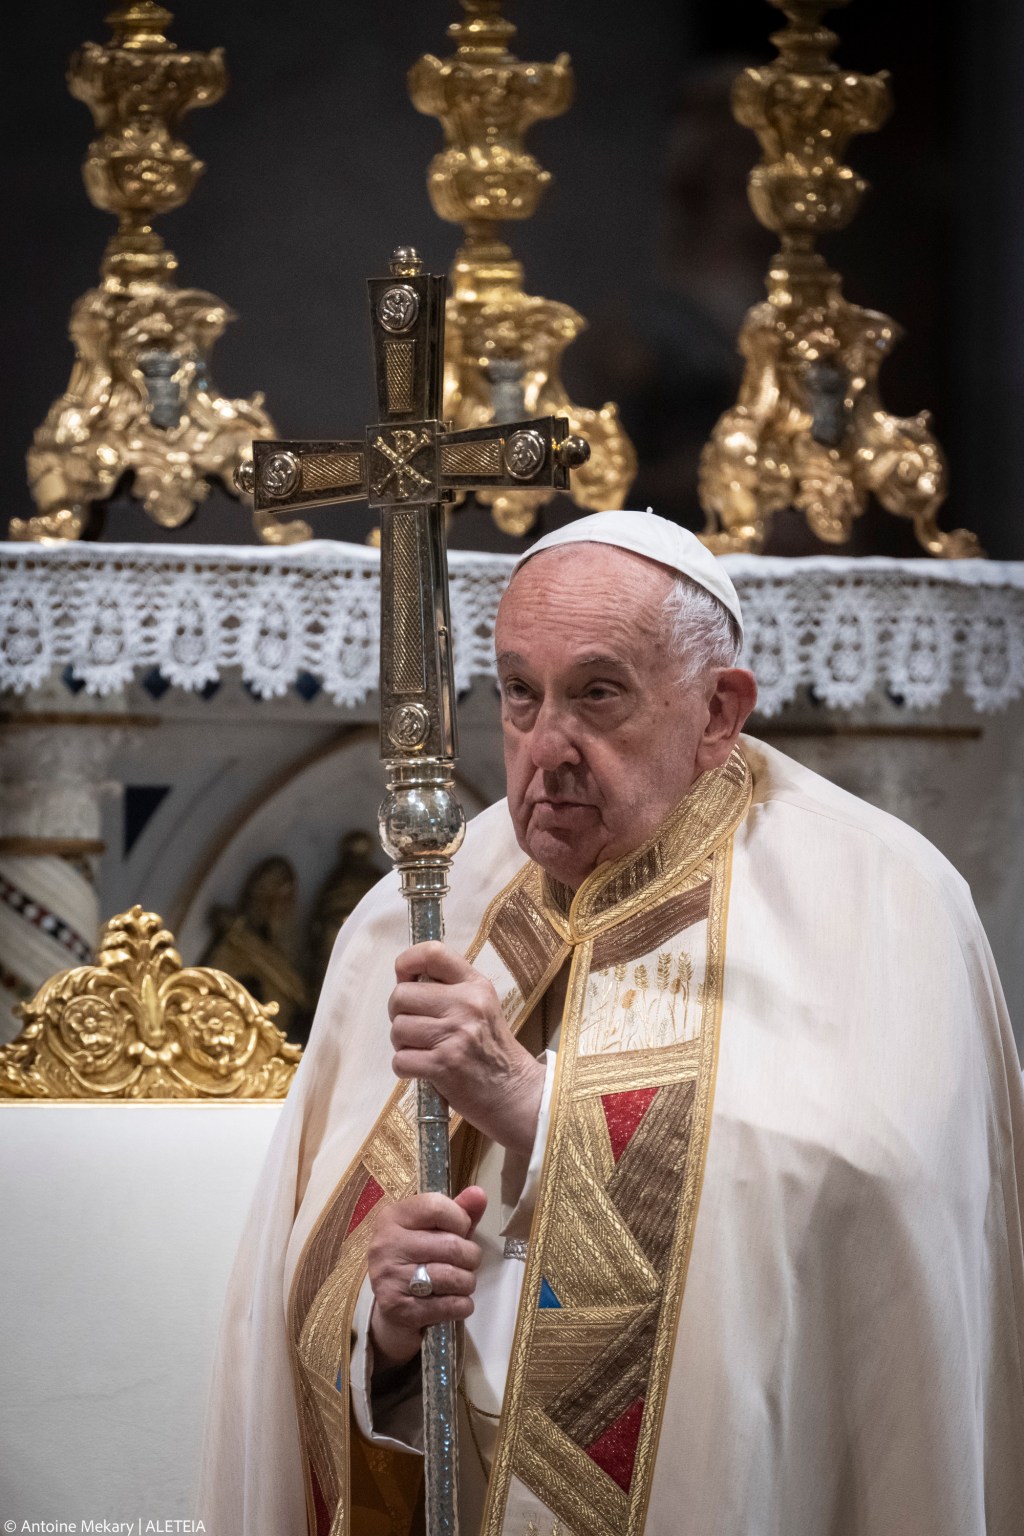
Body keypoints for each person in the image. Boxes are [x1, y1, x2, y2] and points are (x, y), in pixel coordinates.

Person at [200, 511, 1024, 1536]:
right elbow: (312, 1269)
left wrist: (537, 1110)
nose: (546, 749)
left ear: (719, 711)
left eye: (597, 694)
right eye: (518, 693)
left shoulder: (880, 897)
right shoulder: (426, 903)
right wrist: (386, 1332)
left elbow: (870, 1222)